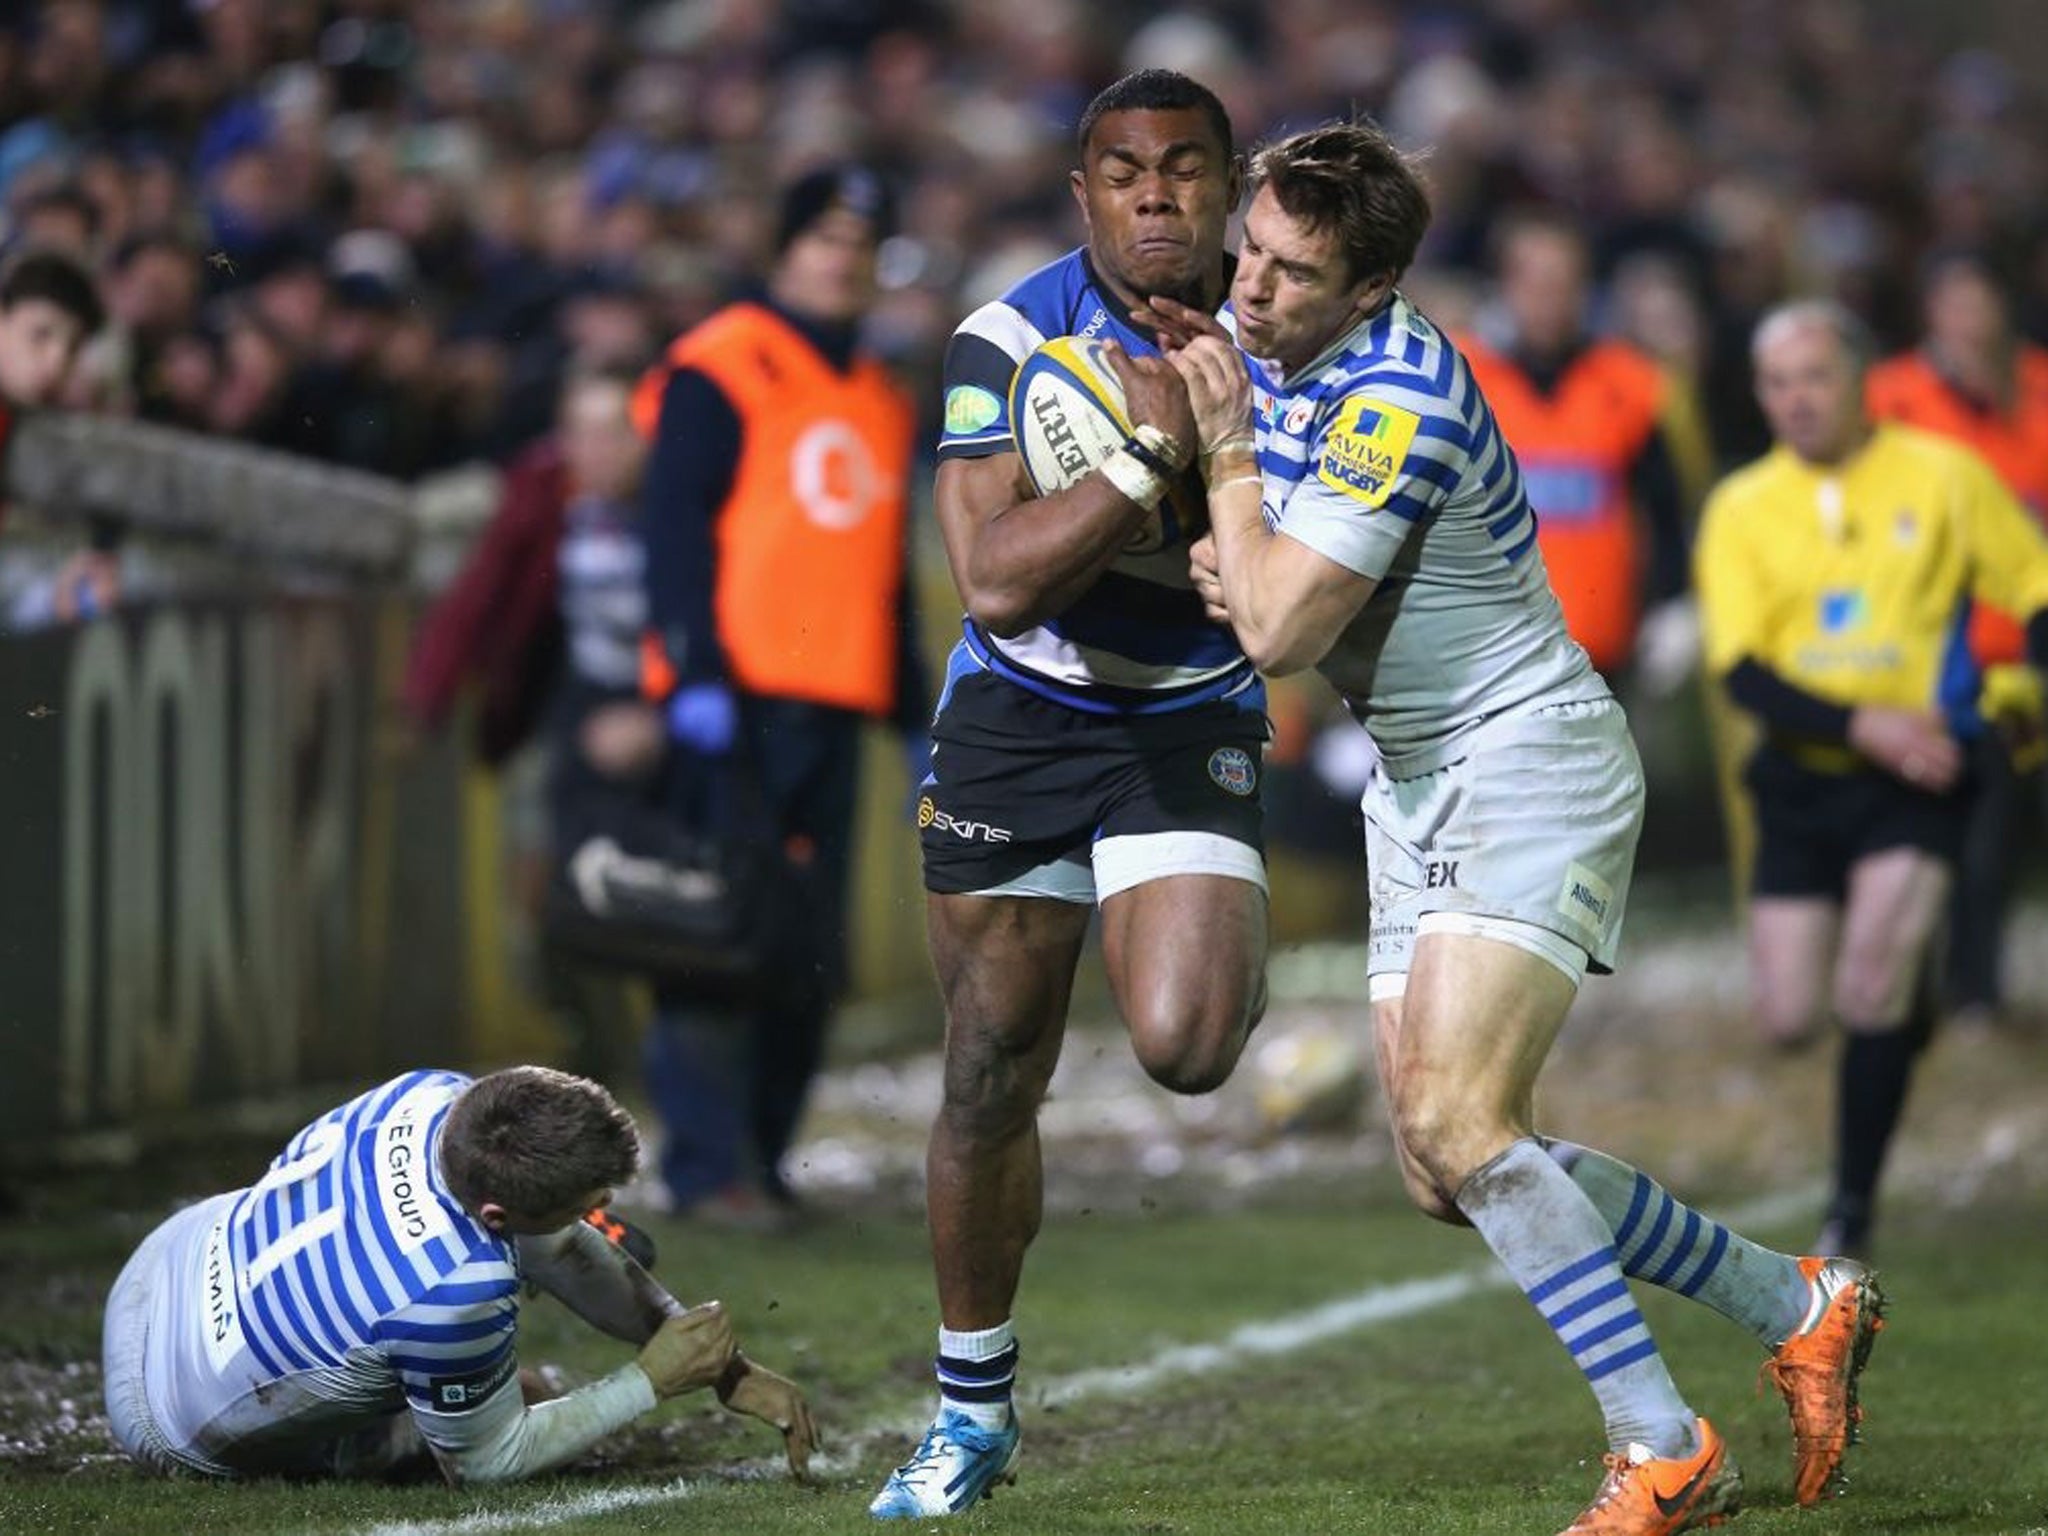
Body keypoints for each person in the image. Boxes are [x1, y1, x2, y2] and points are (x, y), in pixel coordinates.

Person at [1149, 121, 1884, 1534]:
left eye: (1294, 274)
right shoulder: (1280, 349)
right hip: (1418, 779)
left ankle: (1661, 1447)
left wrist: (1233, 486)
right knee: (1447, 1167)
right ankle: (1798, 1302)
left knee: (1459, 1116)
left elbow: (1284, 628)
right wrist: (1241, 548)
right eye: (1251, 252)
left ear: (1372, 289)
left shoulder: (1398, 394)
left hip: (1526, 756)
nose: (1253, 290)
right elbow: (1247, 583)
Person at [869, 69, 1270, 1520]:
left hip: (1186, 710)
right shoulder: (1007, 337)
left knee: (1187, 1042)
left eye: (1183, 168)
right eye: (1124, 170)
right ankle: (970, 1412)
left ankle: (1229, 909)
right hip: (1022, 715)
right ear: (1083, 193)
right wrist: (1152, 447)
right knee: (989, 1066)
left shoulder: (1293, 327)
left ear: (1230, 186)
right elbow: (993, 574)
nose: (1156, 194)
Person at [1696, 299, 2048, 1260]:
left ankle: (1850, 1207)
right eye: (1778, 383)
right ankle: (1912, 991)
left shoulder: (1943, 477)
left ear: (1861, 385)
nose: (1797, 400)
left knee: (1868, 996)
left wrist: (2020, 689)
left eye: (1816, 378)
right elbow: (1742, 671)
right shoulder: (1741, 507)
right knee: (1788, 1018)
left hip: (1923, 775)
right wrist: (1865, 726)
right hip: (1804, 780)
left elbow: (2036, 588)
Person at [634, 163, 930, 1225]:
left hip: (835, 704)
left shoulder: (882, 400)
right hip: (737, 702)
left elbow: (885, 577)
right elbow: (670, 533)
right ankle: (706, 1168)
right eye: (823, 237)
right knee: (717, 939)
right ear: (783, 246)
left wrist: (911, 719)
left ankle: (761, 1159)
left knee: (807, 953)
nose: (841, 258)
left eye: (861, 243)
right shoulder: (719, 364)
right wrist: (692, 671)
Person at [100, 1065, 816, 1484]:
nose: (605, 1215)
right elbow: (488, 1463)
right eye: (592, 1205)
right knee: (515, 1405)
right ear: (499, 1213)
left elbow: (553, 1242)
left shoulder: (430, 1096)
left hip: (165, 1261)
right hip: (166, 1417)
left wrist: (726, 1368)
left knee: (488, 1354)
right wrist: (651, 1380)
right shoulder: (455, 1291)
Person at [1865, 250, 2048, 1029]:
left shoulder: (2037, 386)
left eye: (1981, 304)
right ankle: (1907, 984)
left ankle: (1976, 987)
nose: (1970, 322)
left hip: (2023, 644)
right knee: (1925, 824)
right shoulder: (1894, 397)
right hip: (1929, 650)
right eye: (1954, 305)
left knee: (1995, 828)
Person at [1458, 209, 1700, 686]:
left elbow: (1666, 508)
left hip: (1603, 647)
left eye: (1563, 283)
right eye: (1535, 282)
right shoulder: (1463, 380)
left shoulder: (1633, 383)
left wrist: (1673, 600)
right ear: (1506, 286)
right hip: (1487, 649)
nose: (1548, 299)